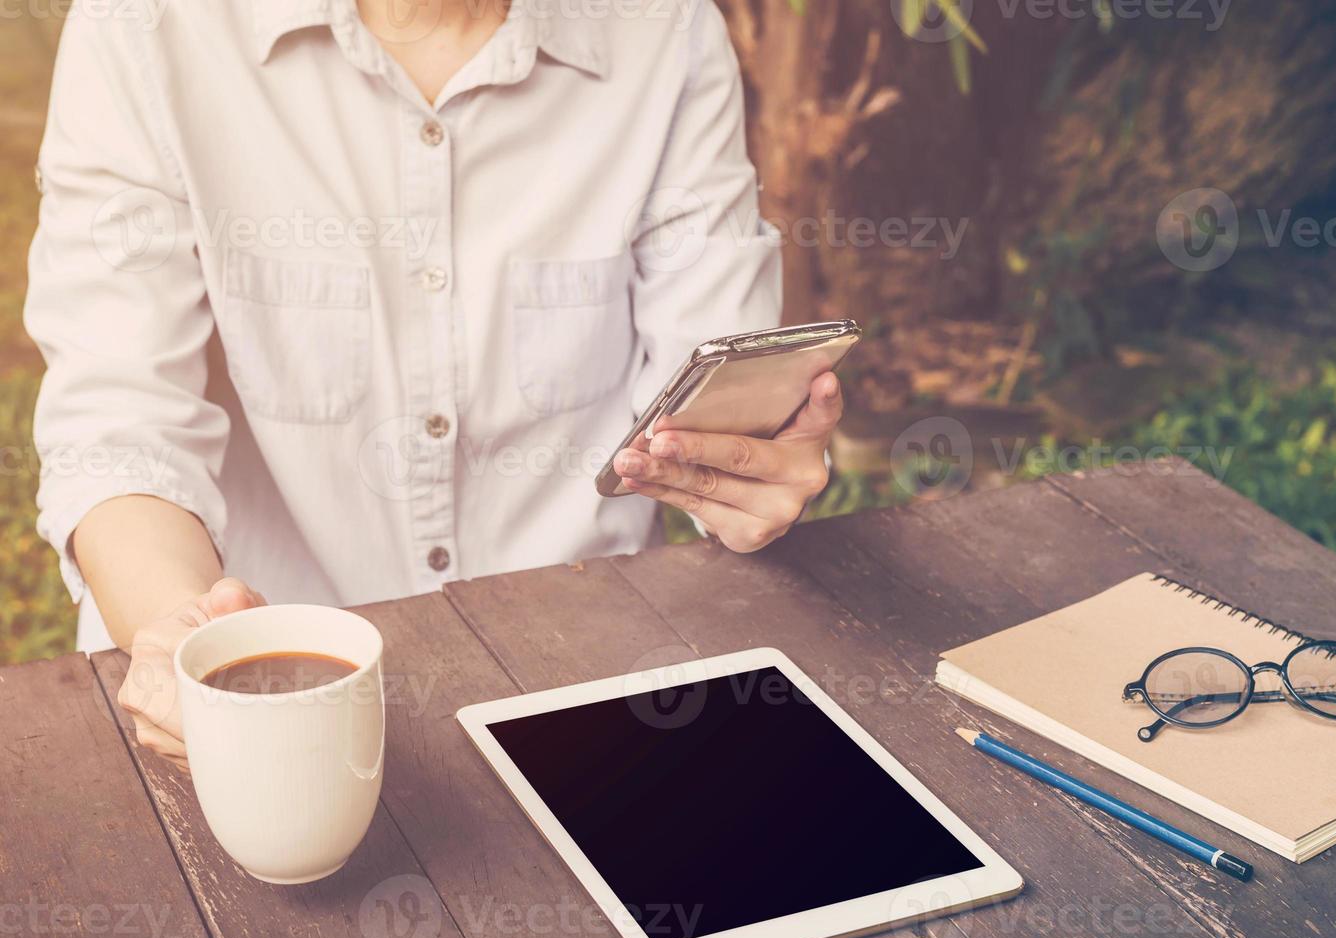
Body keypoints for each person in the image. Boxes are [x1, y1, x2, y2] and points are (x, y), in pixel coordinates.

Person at [25, 0, 841, 769]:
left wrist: (748, 472)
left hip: (583, 686)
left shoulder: (662, 27)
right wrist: (187, 641)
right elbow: (119, 426)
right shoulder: (148, 28)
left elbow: (713, 393)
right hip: (274, 707)